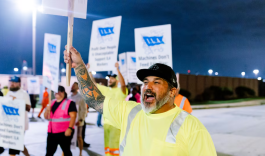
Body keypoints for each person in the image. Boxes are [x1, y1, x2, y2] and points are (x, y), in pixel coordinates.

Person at [64, 46, 217, 156]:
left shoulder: (193, 128)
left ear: (172, 92)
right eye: (145, 82)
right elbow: (93, 98)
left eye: (156, 82)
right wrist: (79, 66)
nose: (147, 87)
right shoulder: (130, 111)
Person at [88, 63, 127, 156]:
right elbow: (93, 83)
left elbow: (123, 84)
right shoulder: (105, 90)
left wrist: (117, 69)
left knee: (115, 150)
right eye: (109, 78)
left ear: (117, 80)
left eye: (113, 78)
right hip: (106, 124)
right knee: (108, 149)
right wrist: (89, 71)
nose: (110, 79)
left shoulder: (121, 91)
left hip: (116, 125)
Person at [0, 76, 32, 156]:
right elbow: (4, 106)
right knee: (17, 144)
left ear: (19, 84)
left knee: (14, 145)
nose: (12, 84)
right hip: (10, 124)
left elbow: (28, 108)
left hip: (20, 125)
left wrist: (17, 102)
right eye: (11, 82)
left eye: (14, 83)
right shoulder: (9, 93)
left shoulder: (24, 94)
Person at [44, 86, 77, 156]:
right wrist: (47, 109)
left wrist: (70, 128)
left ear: (63, 92)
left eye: (60, 91)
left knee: (66, 151)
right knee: (49, 152)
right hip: (52, 132)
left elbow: (73, 116)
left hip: (64, 132)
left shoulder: (70, 103)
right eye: (56, 91)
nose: (58, 93)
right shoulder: (51, 102)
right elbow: (46, 117)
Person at [69, 82, 87, 156]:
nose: (72, 87)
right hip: (70, 121)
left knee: (79, 137)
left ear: (77, 88)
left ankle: (80, 153)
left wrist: (80, 119)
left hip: (79, 121)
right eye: (72, 86)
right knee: (69, 137)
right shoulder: (69, 97)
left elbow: (84, 110)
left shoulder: (81, 98)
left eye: (74, 86)